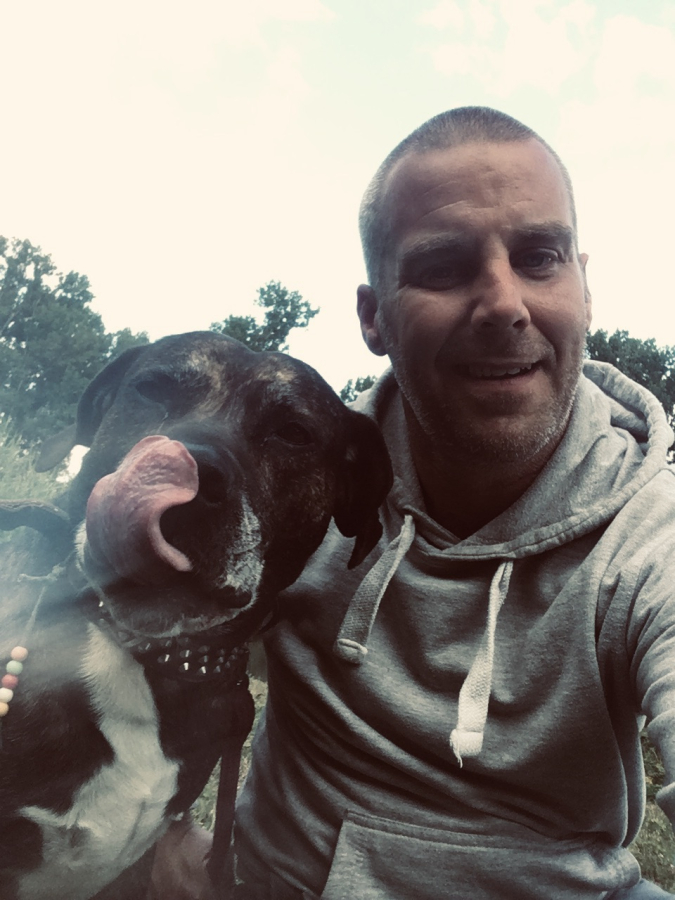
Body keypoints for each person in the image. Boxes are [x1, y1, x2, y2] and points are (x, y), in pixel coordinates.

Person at [152, 107, 675, 899]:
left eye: (538, 257)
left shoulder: (650, 539)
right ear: (373, 318)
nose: (503, 303)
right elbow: (106, 619)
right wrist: (156, 834)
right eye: (443, 266)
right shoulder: (299, 480)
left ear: (583, 285)